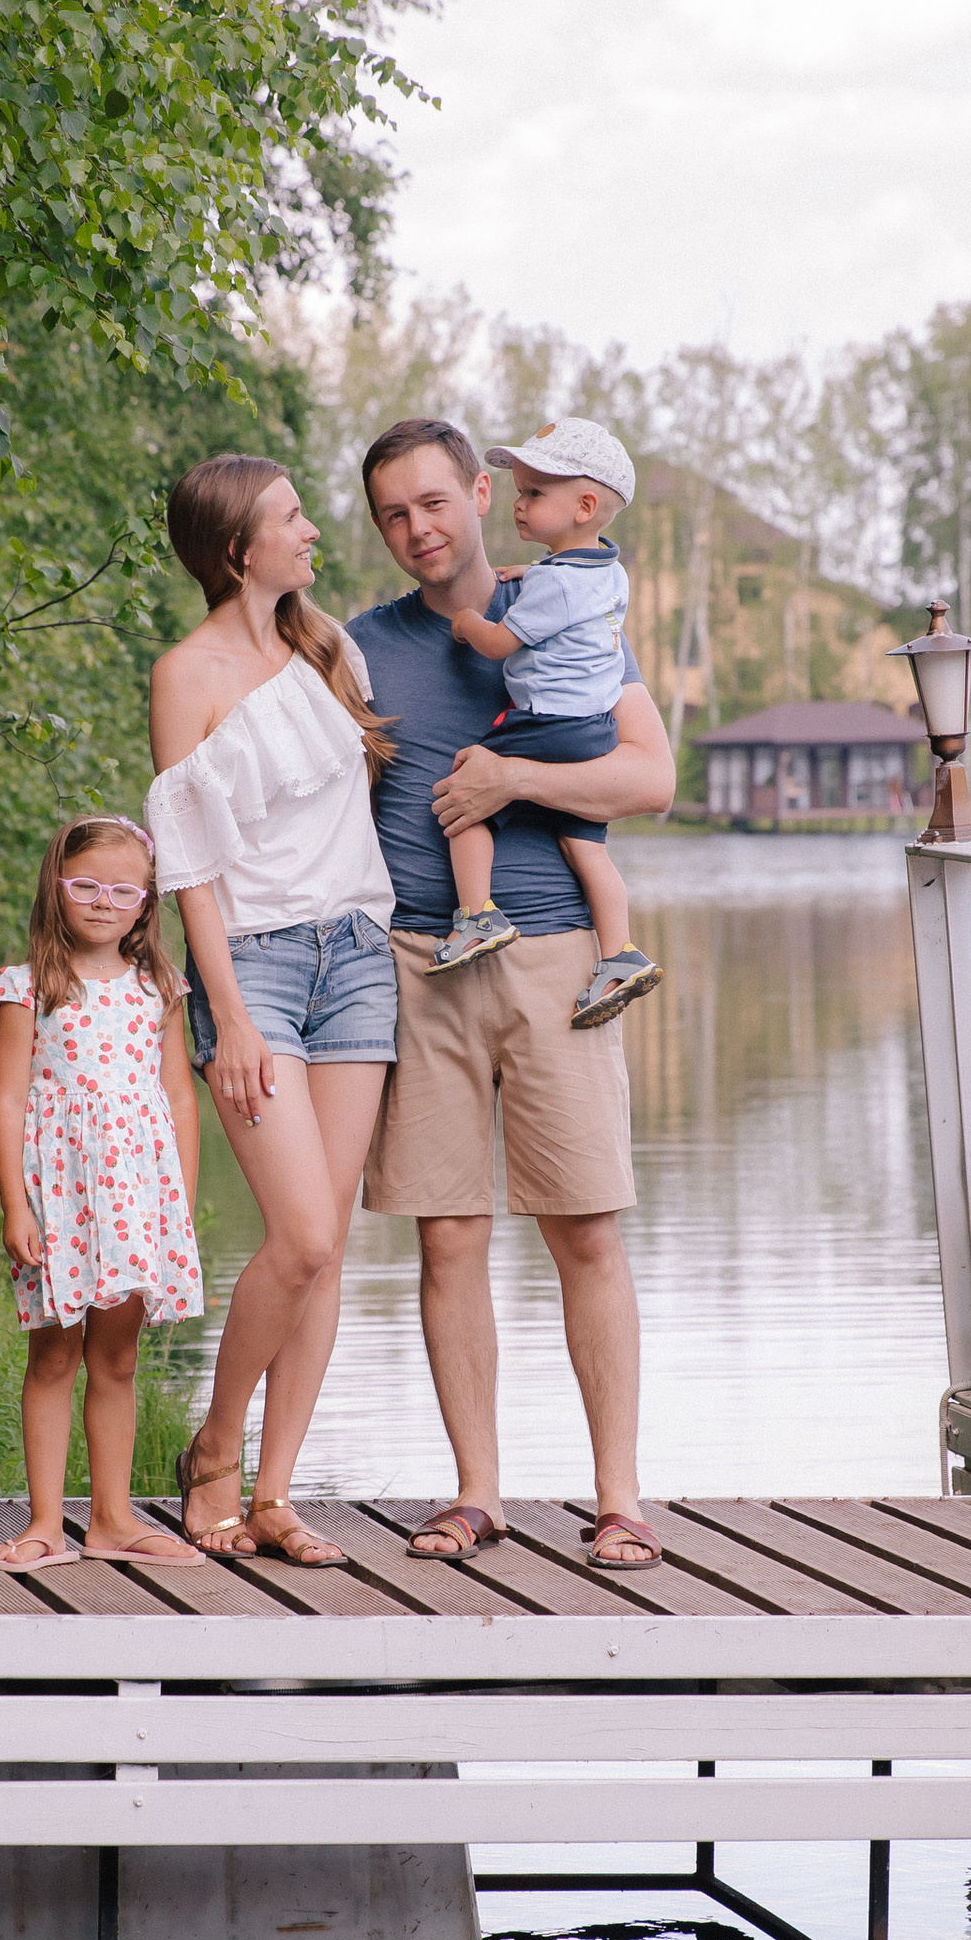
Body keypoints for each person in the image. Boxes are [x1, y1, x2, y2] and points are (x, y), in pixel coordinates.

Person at [347, 415, 677, 1574]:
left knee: (585, 1228)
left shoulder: (569, 611)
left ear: (482, 495)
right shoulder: (358, 649)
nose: (416, 529)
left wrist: (508, 779)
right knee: (448, 1235)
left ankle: (619, 1500)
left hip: (554, 956)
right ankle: (476, 1494)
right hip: (421, 964)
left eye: (433, 502)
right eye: (392, 513)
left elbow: (651, 775)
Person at [146, 452, 400, 1567]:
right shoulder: (184, 674)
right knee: (295, 1235)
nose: (311, 533)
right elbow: (188, 862)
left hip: (357, 952)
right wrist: (230, 1015)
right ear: (236, 548)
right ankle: (213, 1449)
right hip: (253, 965)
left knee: (328, 1244)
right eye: (291, 519)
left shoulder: (324, 644)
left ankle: (277, 1494)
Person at [0, 813, 204, 1573]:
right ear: (57, 886)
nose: (103, 902)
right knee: (54, 1357)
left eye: (123, 890)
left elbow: (178, 1099)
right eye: (85, 885)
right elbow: (9, 1101)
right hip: (61, 1197)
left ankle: (110, 1520)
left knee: (117, 1359)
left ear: (146, 903)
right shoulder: (28, 986)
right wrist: (17, 1203)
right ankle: (47, 1522)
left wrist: (179, 1211)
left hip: (139, 1202)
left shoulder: (160, 989)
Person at [434, 412, 660, 1032]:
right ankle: (619, 954)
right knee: (585, 846)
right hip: (592, 728)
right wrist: (531, 574)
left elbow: (502, 644)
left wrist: (466, 623)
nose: (519, 505)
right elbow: (567, 589)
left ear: (584, 504)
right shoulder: (608, 572)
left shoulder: (554, 585)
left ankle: (477, 914)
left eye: (535, 493)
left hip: (545, 721)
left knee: (466, 793)